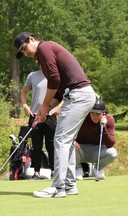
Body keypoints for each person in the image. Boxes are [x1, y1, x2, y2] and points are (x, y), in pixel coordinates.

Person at [14, 32, 96, 198]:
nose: (26, 53)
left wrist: (44, 106)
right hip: (81, 95)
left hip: (78, 95)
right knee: (67, 141)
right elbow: (59, 89)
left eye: (24, 49)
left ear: (31, 39)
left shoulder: (44, 48)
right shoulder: (48, 50)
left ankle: (58, 187)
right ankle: (70, 185)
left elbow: (54, 79)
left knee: (60, 140)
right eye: (22, 53)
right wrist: (46, 109)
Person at [21, 70, 59, 179]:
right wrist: (25, 106)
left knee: (51, 145)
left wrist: (58, 107)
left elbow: (62, 94)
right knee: (36, 146)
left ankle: (54, 171)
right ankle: (36, 172)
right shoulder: (32, 75)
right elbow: (24, 92)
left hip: (50, 115)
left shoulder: (54, 75)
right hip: (35, 115)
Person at [74, 99, 117, 180]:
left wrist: (104, 127)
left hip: (98, 151)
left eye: (98, 114)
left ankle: (97, 169)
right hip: (80, 149)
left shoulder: (109, 120)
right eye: (92, 113)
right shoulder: (82, 117)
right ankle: (78, 169)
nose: (94, 116)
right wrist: (72, 140)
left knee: (112, 153)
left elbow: (110, 143)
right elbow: (68, 131)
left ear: (103, 113)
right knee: (70, 145)